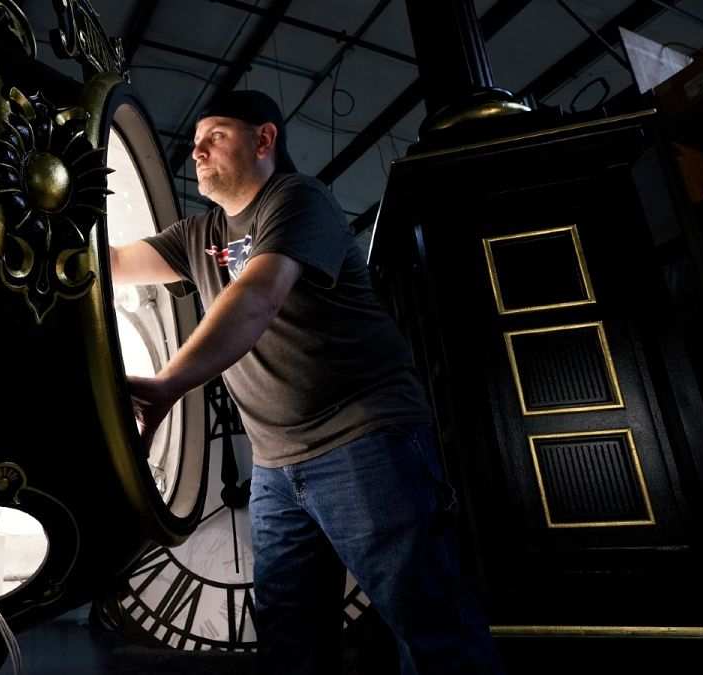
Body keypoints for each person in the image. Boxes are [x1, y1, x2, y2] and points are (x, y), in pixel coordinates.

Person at [109, 90, 506, 674]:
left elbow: (257, 296)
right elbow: (113, 262)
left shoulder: (297, 199)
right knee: (291, 638)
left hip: (364, 440)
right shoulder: (198, 235)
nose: (196, 149)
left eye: (215, 135)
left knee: (428, 620)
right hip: (276, 466)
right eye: (195, 140)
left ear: (263, 139)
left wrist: (167, 383)